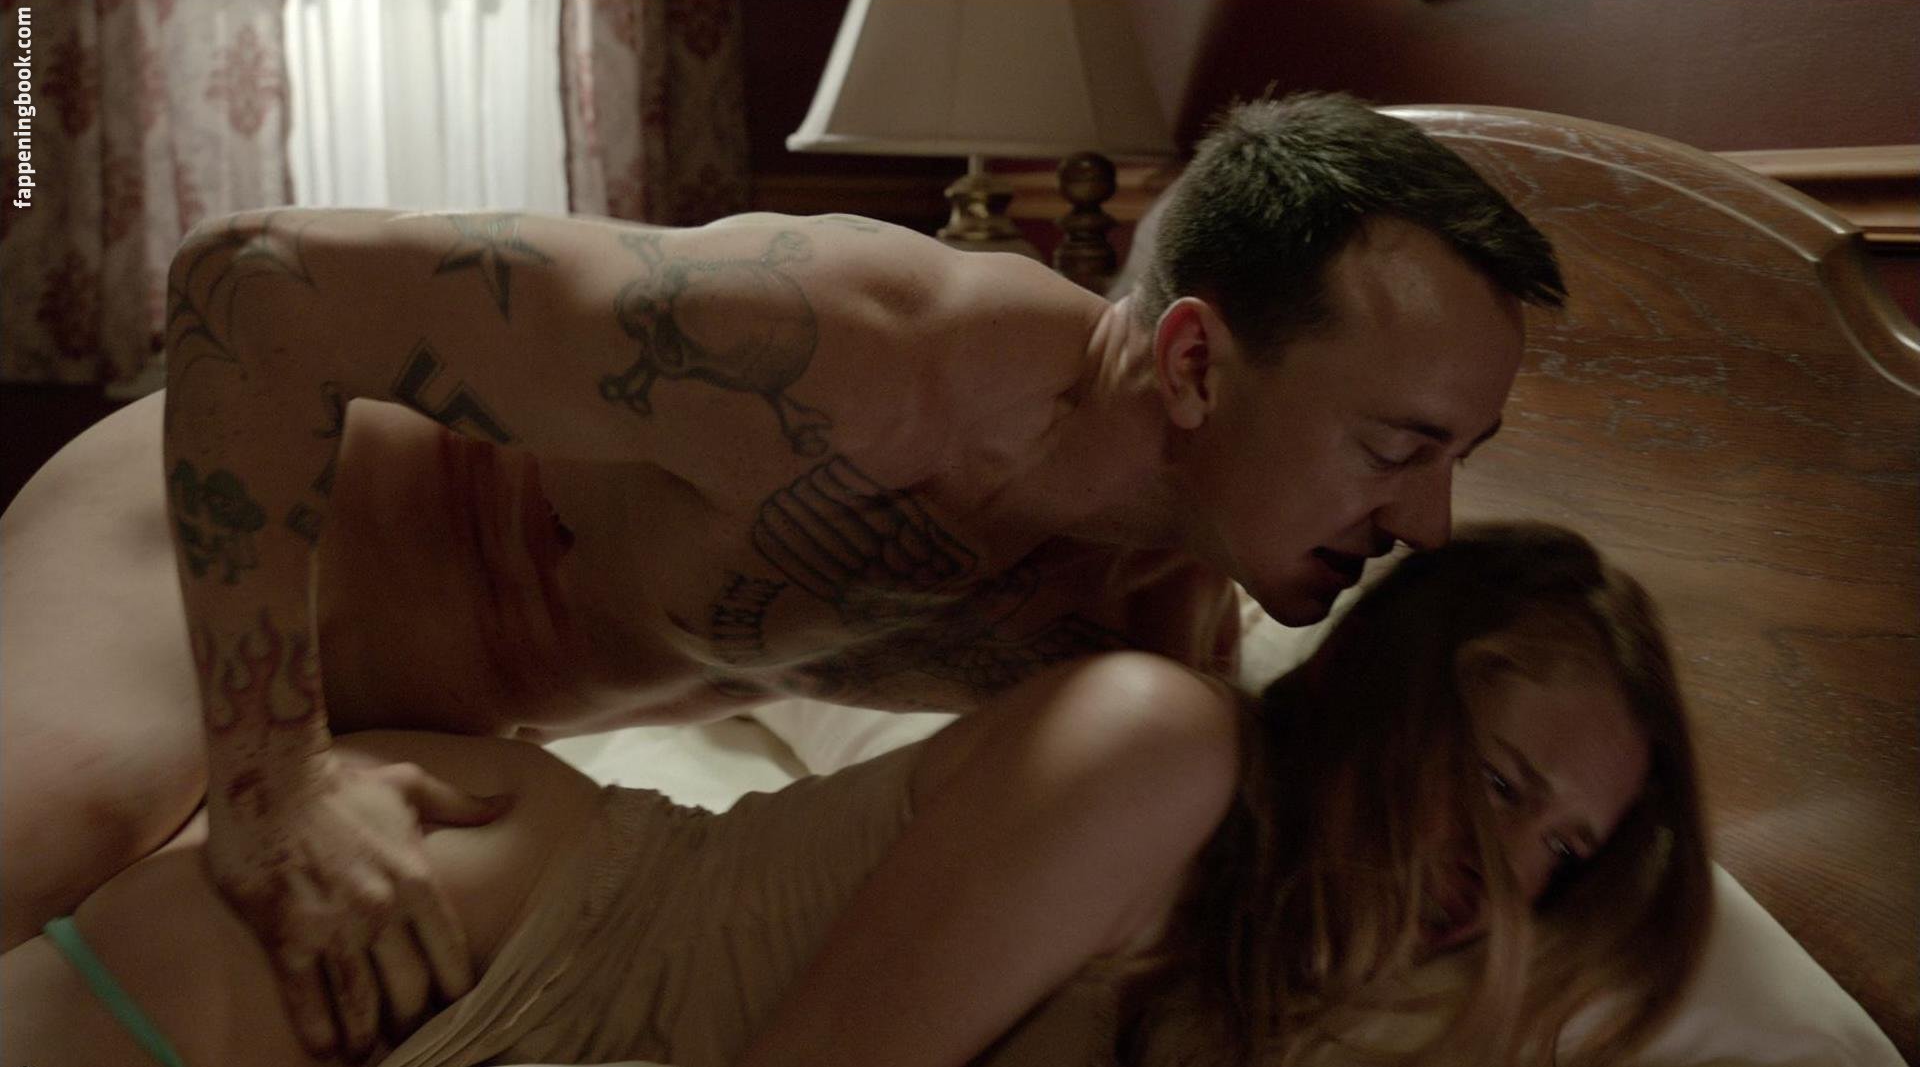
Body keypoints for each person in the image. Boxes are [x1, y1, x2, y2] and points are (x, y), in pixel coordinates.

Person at [0, 93, 1567, 1053]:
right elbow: (256, 288)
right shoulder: (856, 347)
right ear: (1196, 362)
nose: (1430, 522)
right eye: (1400, 445)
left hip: (482, 720)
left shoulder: (1149, 641)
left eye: (1460, 457)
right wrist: (271, 776)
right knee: (55, 829)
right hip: (257, 555)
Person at [2, 523, 1712, 1067]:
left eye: (1561, 850)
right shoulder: (1164, 745)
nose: (1506, 871)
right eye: (1501, 783)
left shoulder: (1300, 950)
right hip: (438, 943)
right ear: (1393, 693)